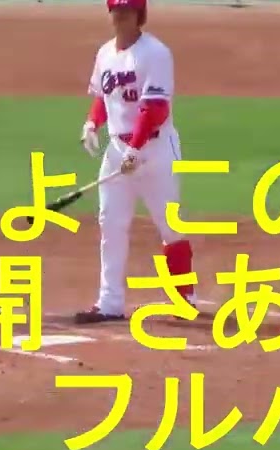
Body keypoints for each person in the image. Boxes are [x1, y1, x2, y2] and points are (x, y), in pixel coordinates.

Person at [75, 0, 195, 324]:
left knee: (169, 224)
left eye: (126, 12)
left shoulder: (155, 53)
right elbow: (103, 96)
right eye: (116, 11)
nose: (120, 17)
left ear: (139, 15)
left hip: (156, 149)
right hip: (118, 149)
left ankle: (184, 297)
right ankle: (109, 302)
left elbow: (155, 108)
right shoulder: (105, 53)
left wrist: (136, 149)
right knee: (110, 222)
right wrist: (92, 124)